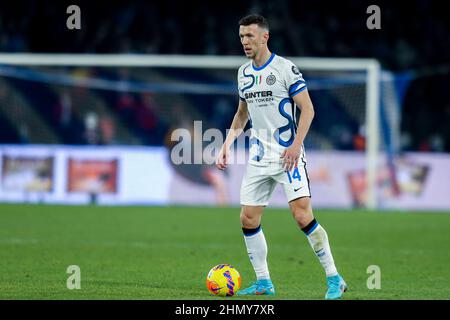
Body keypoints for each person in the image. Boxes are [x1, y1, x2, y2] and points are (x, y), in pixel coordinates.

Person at [215, 14, 347, 299]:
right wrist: (227, 143)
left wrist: (296, 145)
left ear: (265, 37)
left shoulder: (286, 69)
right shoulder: (243, 74)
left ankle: (334, 278)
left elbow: (308, 109)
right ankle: (264, 283)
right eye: (241, 36)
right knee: (248, 219)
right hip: (259, 158)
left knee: (302, 216)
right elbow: (242, 114)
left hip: (288, 155)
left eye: (250, 36)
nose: (244, 42)